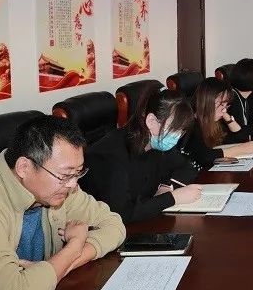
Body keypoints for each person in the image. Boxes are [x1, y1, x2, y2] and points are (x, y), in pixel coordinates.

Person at [0, 116, 125, 290]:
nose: (73, 185)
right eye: (65, 175)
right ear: (24, 167)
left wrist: (66, 262)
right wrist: (74, 246)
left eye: (78, 173)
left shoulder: (58, 189)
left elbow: (114, 224)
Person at [80, 88, 203, 223]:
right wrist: (173, 198)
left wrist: (168, 186)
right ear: (151, 121)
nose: (177, 137)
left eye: (181, 131)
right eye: (174, 129)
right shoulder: (110, 157)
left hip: (144, 221)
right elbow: (121, 213)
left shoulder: (158, 142)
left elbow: (187, 167)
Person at [179, 77, 253, 170]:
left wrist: (228, 118)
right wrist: (239, 150)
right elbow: (204, 156)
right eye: (221, 104)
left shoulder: (214, 122)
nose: (224, 110)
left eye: (226, 105)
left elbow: (238, 137)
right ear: (207, 101)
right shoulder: (191, 125)